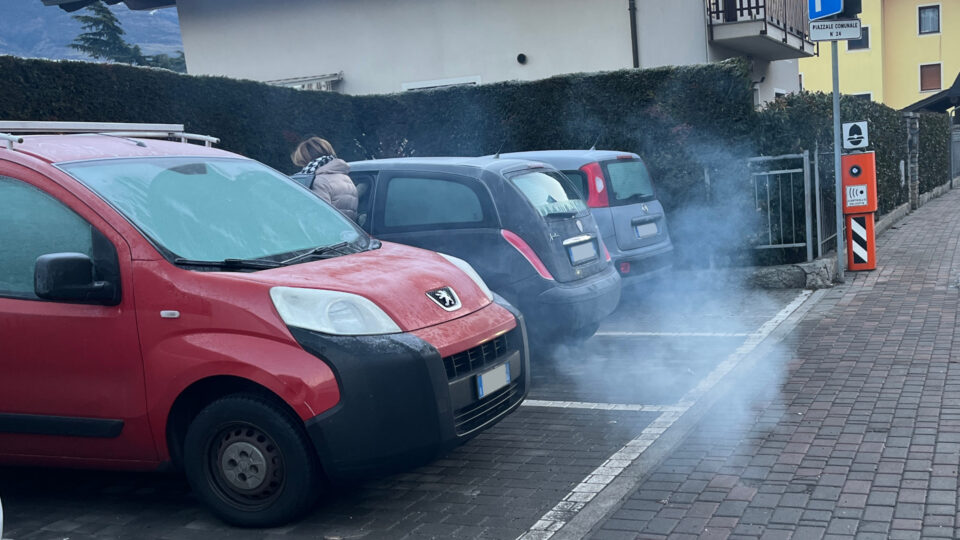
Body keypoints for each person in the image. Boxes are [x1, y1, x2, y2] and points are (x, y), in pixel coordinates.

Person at [291, 136, 358, 221]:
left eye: (303, 164)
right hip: (345, 232)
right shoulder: (346, 179)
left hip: (324, 233)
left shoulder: (317, 181)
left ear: (307, 161)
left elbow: (318, 218)